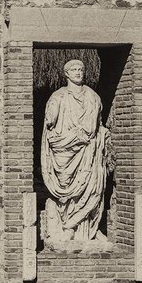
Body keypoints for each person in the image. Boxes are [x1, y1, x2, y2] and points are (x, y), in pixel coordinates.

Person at [41, 59, 110, 241]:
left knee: (92, 187)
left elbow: (98, 124)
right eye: (74, 69)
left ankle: (88, 229)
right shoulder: (58, 96)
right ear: (67, 74)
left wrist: (102, 134)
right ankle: (67, 224)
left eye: (81, 69)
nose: (78, 72)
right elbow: (50, 124)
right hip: (65, 150)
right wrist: (52, 113)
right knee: (66, 188)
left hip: (89, 149)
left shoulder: (93, 96)